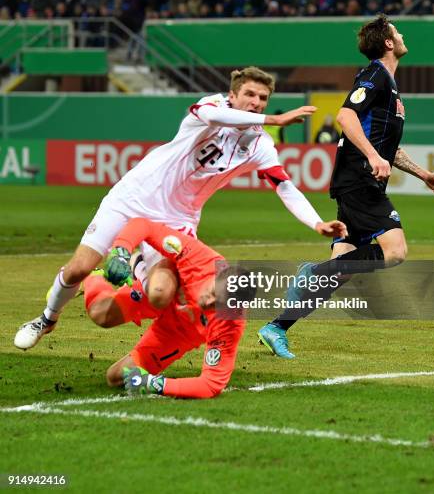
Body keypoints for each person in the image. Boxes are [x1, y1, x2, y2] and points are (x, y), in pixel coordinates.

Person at [15, 66, 347, 350]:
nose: (256, 102)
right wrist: (273, 116)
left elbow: (284, 186)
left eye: (263, 98)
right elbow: (215, 115)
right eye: (250, 94)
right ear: (232, 95)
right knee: (77, 269)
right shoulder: (212, 108)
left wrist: (317, 223)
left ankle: (132, 269)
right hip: (134, 196)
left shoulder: (260, 144)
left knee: (162, 295)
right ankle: (47, 318)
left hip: (178, 220)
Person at [258, 14, 434, 358]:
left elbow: (389, 148)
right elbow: (346, 117)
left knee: (344, 266)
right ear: (388, 43)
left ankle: (277, 327)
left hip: (360, 178)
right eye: (397, 32)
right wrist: (374, 157)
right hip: (359, 179)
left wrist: (423, 174)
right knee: (395, 251)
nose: (403, 35)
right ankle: (313, 272)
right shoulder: (375, 74)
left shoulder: (388, 84)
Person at [84, 218, 248, 399]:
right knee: (100, 314)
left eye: (216, 305)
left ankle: (138, 266)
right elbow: (144, 225)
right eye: (212, 293)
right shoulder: (200, 258)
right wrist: (121, 250)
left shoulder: (231, 324)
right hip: (166, 290)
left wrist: (156, 384)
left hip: (179, 331)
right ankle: (94, 276)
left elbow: (210, 385)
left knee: (116, 377)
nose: (207, 302)